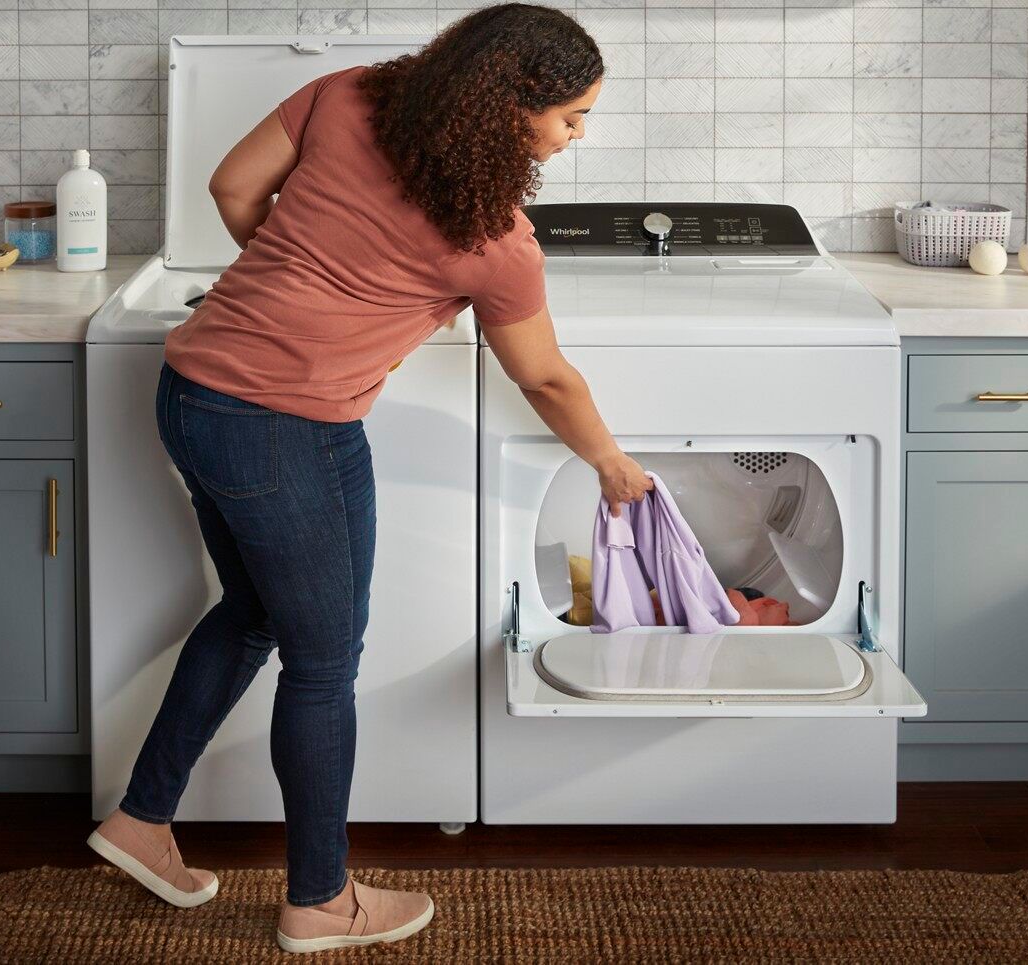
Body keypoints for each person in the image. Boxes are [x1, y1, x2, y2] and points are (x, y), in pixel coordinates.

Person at [84, 3, 654, 953]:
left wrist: (301, 278)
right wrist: (609, 460)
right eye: (571, 116)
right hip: (285, 433)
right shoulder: (495, 239)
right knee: (322, 664)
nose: (577, 135)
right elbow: (545, 375)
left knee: (253, 612)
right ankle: (320, 901)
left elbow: (232, 190)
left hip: (189, 393)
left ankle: (142, 820)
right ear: (511, 107)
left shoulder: (346, 95)